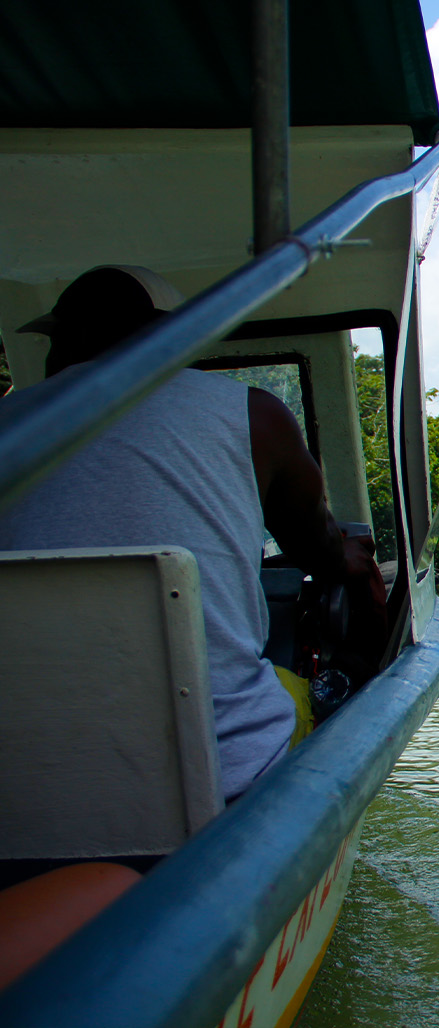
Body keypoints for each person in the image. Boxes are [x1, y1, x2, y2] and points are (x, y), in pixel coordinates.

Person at [0, 265, 386, 800]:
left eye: (54, 342)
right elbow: (319, 551)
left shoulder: (9, 421)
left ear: (75, 340)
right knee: (326, 673)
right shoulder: (255, 415)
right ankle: (335, 687)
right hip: (224, 774)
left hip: (26, 779)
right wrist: (346, 557)